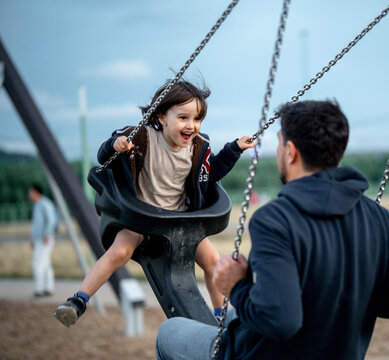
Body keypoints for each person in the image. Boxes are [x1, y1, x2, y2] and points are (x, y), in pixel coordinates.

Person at [155, 100, 389, 360]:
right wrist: (344, 295)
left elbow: (280, 320)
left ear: (291, 152)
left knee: (170, 332)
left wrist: (237, 286)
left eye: (279, 143)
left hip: (262, 352)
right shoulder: (379, 218)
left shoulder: (275, 219)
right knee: (223, 319)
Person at [54, 80, 255, 327]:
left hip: (181, 221)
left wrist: (234, 149)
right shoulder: (140, 138)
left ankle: (220, 316)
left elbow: (211, 174)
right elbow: (104, 156)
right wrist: (115, 146)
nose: (191, 126)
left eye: (197, 119)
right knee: (119, 252)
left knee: (213, 261)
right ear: (161, 116)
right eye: (183, 117)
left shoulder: (198, 147)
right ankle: (78, 300)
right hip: (143, 220)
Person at [28, 183, 58, 298]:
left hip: (44, 238)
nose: (29, 194)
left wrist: (47, 234)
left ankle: (38, 289)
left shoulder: (45, 204)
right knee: (45, 263)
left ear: (36, 192)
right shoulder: (37, 205)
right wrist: (32, 238)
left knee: (37, 263)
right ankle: (48, 287)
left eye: (30, 192)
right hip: (38, 239)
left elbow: (51, 220)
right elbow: (36, 225)